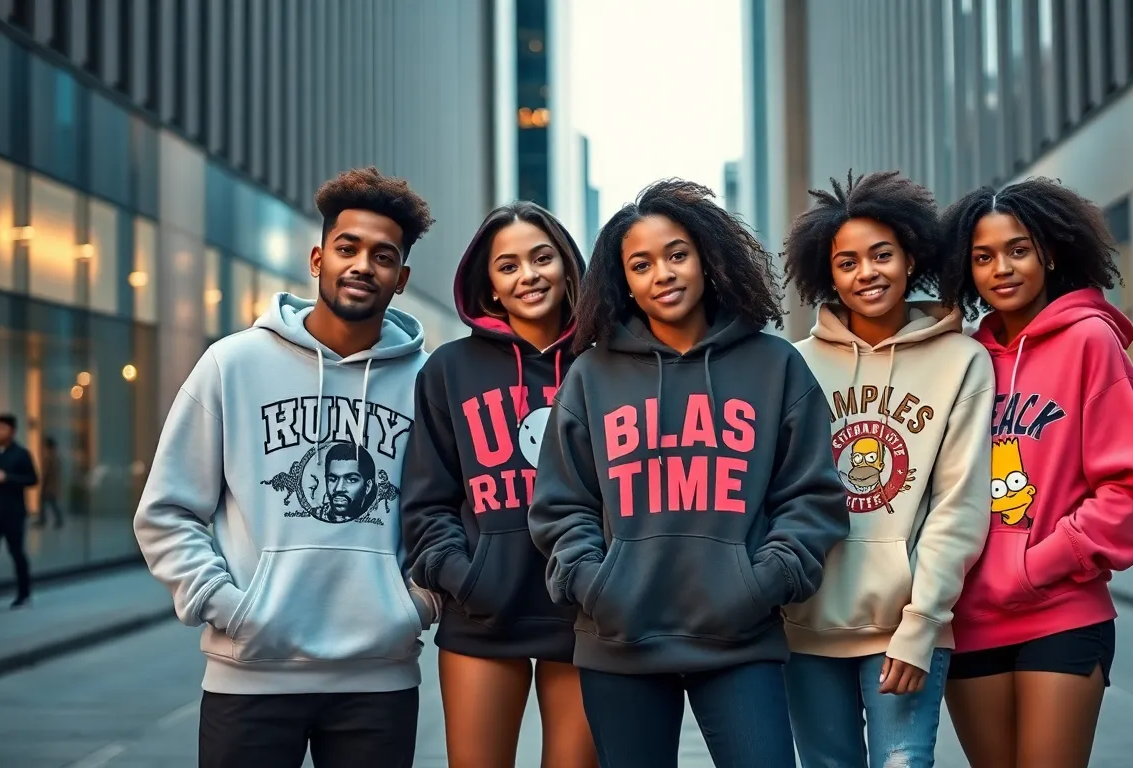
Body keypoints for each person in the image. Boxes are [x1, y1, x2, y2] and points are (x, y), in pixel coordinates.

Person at [528, 178, 850, 767]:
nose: (664, 274)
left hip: (740, 638)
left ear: (707, 257)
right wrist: (597, 585)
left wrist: (761, 584)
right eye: (641, 263)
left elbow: (812, 496)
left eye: (677, 254)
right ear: (622, 280)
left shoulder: (774, 364)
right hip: (619, 641)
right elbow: (560, 504)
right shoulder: (591, 376)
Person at [133, 167, 441, 768]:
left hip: (378, 680)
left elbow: (452, 511)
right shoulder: (233, 364)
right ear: (317, 258)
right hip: (249, 675)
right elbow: (168, 509)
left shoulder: (429, 381)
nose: (362, 266)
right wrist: (226, 604)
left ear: (401, 278)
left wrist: (420, 603)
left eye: (383, 256)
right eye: (347, 248)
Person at [937, 177, 1133, 768]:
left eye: (1018, 249)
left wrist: (1033, 567)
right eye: (983, 256)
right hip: (968, 620)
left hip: (1060, 611)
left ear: (1048, 252)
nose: (1002, 268)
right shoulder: (965, 360)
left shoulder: (1090, 342)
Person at [779, 171, 994, 767]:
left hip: (905, 624)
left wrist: (923, 621)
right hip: (807, 625)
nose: (866, 273)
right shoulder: (794, 366)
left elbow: (960, 503)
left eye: (881, 255)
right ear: (828, 274)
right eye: (847, 262)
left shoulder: (962, 361)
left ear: (909, 256)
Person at [400, 201, 597, 767]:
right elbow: (428, 499)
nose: (528, 275)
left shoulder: (604, 363)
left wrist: (608, 583)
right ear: (488, 286)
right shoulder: (449, 369)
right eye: (507, 266)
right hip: (483, 614)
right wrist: (466, 579)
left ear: (567, 266)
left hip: (585, 617)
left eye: (542, 258)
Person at [0, 414, 39, 611]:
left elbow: (32, 479)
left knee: (17, 553)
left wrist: (7, 477)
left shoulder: (21, 454)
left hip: (13, 513)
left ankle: (24, 594)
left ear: (12, 431)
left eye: (2, 429)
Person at [38, 436, 64, 528]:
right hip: (53, 485)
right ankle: (54, 520)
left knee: (49, 503)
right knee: (51, 503)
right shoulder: (57, 458)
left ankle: (44, 520)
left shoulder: (50, 458)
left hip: (49, 486)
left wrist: (41, 479)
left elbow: (46, 472)